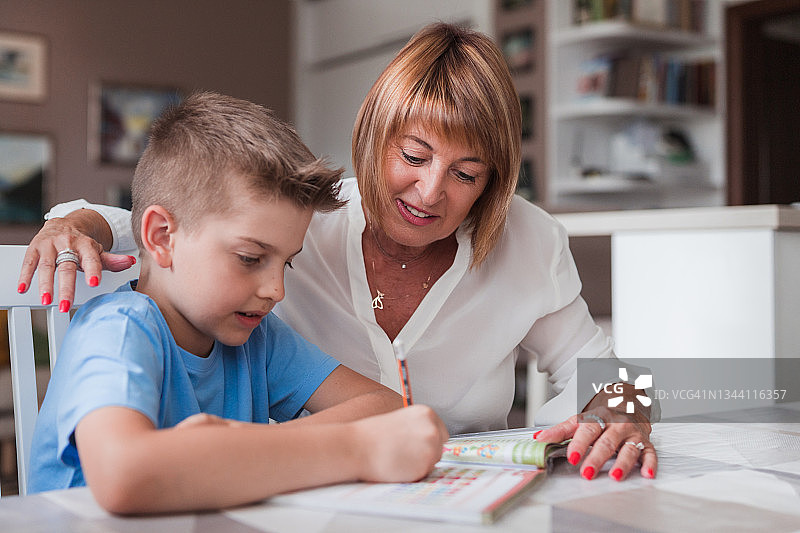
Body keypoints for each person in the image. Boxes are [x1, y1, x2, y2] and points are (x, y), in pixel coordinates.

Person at [19, 24, 656, 482]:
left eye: (467, 173)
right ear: (373, 136)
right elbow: (159, 226)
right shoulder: (303, 219)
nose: (430, 192)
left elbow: (615, 376)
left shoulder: (530, 239)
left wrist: (627, 416)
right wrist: (73, 225)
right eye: (413, 156)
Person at [26, 92, 448, 514]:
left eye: (287, 263)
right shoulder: (119, 329)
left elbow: (386, 409)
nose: (276, 290)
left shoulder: (257, 339)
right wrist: (355, 450)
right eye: (250, 259)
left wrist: (241, 447)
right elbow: (125, 476)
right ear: (161, 237)